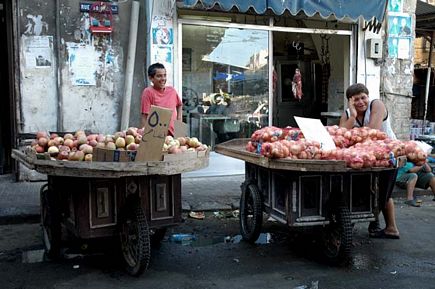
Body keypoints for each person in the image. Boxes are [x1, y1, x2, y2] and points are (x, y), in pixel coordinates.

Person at [339, 83, 400, 239]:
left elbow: (373, 132)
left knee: (383, 192)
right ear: (349, 101)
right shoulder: (348, 113)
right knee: (363, 190)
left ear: (368, 96)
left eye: (363, 97)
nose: (361, 102)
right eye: (356, 99)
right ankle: (359, 222)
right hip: (363, 158)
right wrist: (352, 116)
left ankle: (391, 228)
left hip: (387, 156)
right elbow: (340, 137)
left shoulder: (376, 105)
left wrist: (351, 134)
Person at [141, 63, 182, 136]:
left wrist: (179, 123)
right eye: (159, 76)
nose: (163, 79)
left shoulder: (172, 91)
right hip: (157, 136)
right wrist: (146, 137)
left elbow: (179, 105)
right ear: (151, 78)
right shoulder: (148, 92)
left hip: (175, 134)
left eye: (165, 75)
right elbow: (145, 116)